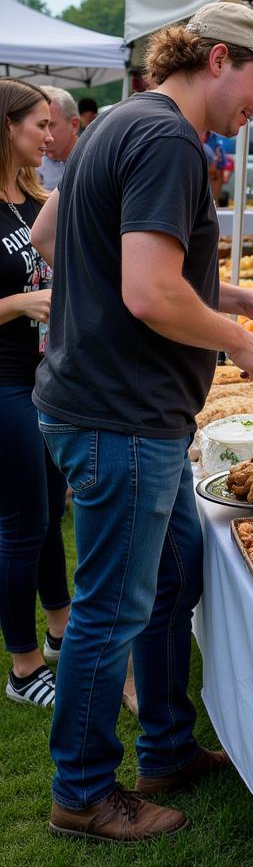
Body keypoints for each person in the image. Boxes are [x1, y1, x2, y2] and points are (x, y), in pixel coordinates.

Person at [30, 1, 253, 842]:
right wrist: (241, 341)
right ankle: (81, 792)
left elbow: (56, 234)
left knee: (174, 578)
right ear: (218, 58)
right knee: (111, 608)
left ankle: (166, 747)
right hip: (124, 416)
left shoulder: (121, 121)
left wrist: (232, 292)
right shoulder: (168, 141)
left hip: (101, 402)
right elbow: (148, 291)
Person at [0, 80, 70, 710]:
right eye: (39, 124)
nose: (50, 136)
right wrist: (18, 303)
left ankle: (59, 632)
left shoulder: (32, 200)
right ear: (6, 127)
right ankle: (22, 670)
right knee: (23, 525)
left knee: (50, 514)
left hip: (43, 378)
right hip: (4, 385)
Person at [38, 87, 80, 192]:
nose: (44, 136)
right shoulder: (31, 166)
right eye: (39, 126)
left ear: (74, 125)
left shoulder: (96, 161)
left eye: (50, 125)